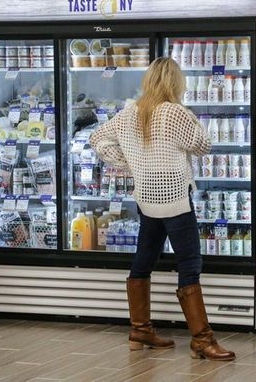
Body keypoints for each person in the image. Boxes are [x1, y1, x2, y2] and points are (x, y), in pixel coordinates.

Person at [89, 57, 234, 361]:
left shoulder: (130, 112)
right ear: (175, 83)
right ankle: (202, 339)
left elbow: (97, 138)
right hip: (175, 199)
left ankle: (139, 329)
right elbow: (202, 145)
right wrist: (193, 117)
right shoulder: (175, 113)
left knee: (144, 259)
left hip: (146, 198)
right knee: (189, 263)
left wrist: (128, 162)